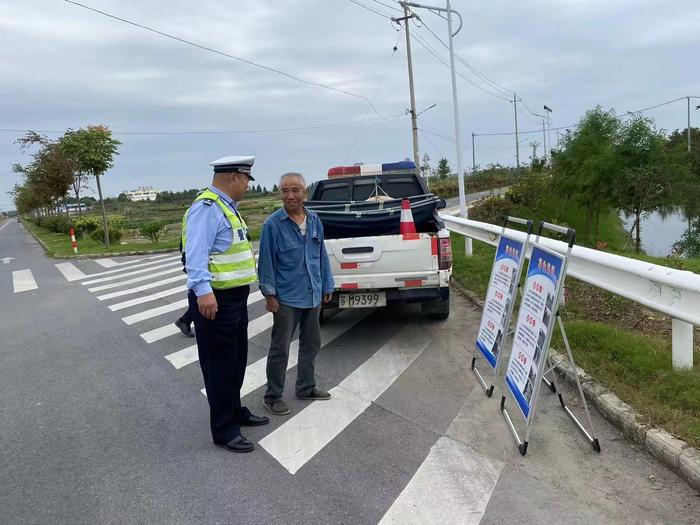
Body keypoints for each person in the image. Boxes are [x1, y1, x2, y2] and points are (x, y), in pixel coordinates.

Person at [182, 155, 269, 453]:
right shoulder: (206, 208)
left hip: (234, 297)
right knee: (219, 364)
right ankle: (224, 429)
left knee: (235, 360)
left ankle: (234, 410)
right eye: (246, 180)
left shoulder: (227, 208)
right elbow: (195, 254)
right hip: (215, 299)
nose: (247, 186)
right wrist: (204, 292)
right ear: (234, 177)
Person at [257, 172, 335, 416]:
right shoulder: (272, 225)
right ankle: (273, 395)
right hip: (286, 298)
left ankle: (306, 386)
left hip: (312, 294)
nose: (290, 196)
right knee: (280, 348)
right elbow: (266, 263)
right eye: (284, 191)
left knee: (311, 344)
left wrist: (327, 285)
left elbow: (321, 255)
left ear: (305, 193)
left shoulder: (314, 220)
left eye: (295, 190)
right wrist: (269, 295)